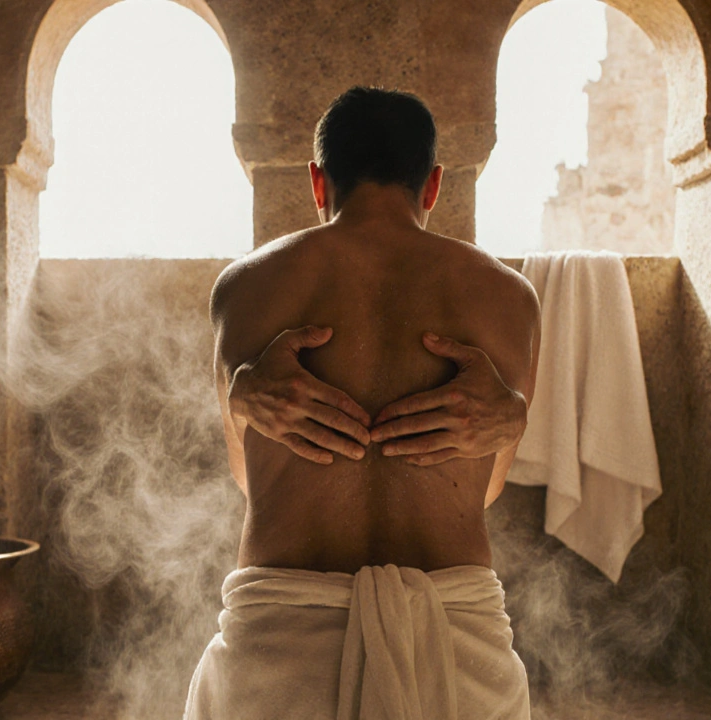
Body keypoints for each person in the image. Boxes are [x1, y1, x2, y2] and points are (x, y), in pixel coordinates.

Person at [184, 87, 540, 720]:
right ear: (433, 186)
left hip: (282, 647)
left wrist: (248, 400)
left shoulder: (246, 287)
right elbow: (486, 489)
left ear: (318, 182)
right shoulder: (508, 296)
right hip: (455, 641)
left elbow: (248, 479)